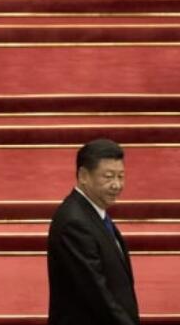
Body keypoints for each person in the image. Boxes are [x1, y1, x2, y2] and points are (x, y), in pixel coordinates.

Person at [46, 138, 139, 325]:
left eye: (120, 176)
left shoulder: (94, 212)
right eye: (108, 176)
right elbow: (96, 292)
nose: (117, 185)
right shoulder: (75, 222)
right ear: (83, 176)